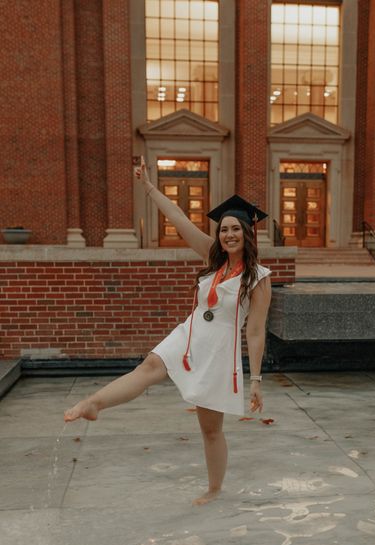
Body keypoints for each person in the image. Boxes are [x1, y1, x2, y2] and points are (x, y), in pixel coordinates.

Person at [64, 157, 272, 505]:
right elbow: (177, 217)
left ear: (248, 233)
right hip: (190, 335)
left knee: (210, 430)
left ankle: (214, 489)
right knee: (147, 367)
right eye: (224, 229)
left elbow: (255, 331)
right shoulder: (213, 257)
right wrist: (147, 187)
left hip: (219, 350)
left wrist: (255, 380)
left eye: (236, 229)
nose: (229, 234)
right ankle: (93, 403)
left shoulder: (258, 278)